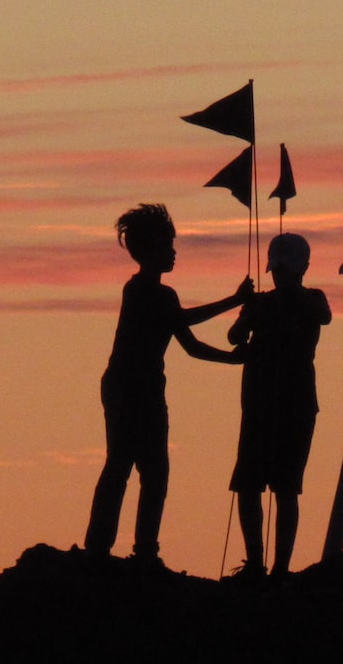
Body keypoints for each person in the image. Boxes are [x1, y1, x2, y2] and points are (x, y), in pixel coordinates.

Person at [84, 204, 249, 563]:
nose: (174, 252)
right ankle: (100, 548)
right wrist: (234, 300)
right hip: (127, 390)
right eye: (168, 244)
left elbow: (191, 347)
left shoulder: (164, 295)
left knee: (154, 472)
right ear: (149, 249)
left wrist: (233, 358)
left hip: (147, 391)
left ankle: (143, 549)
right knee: (122, 466)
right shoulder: (142, 291)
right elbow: (183, 320)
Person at [226, 232, 331, 578]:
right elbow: (234, 336)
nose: (280, 276)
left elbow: (323, 314)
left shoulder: (312, 299)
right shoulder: (264, 304)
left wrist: (268, 306)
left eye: (285, 271)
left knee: (285, 487)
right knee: (250, 484)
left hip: (292, 405)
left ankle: (280, 569)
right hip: (261, 403)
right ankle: (256, 563)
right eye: (278, 271)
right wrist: (253, 309)